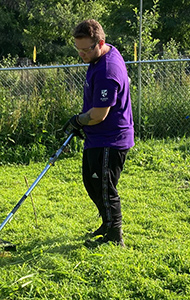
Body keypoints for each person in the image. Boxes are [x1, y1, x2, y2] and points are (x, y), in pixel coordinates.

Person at [63, 19, 134, 247]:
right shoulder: (103, 54)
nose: (81, 54)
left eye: (86, 49)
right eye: (78, 49)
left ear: (100, 43)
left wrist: (77, 121)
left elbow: (99, 114)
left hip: (110, 139)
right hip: (97, 137)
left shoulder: (106, 69)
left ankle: (115, 237)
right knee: (91, 183)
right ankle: (107, 222)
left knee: (105, 187)